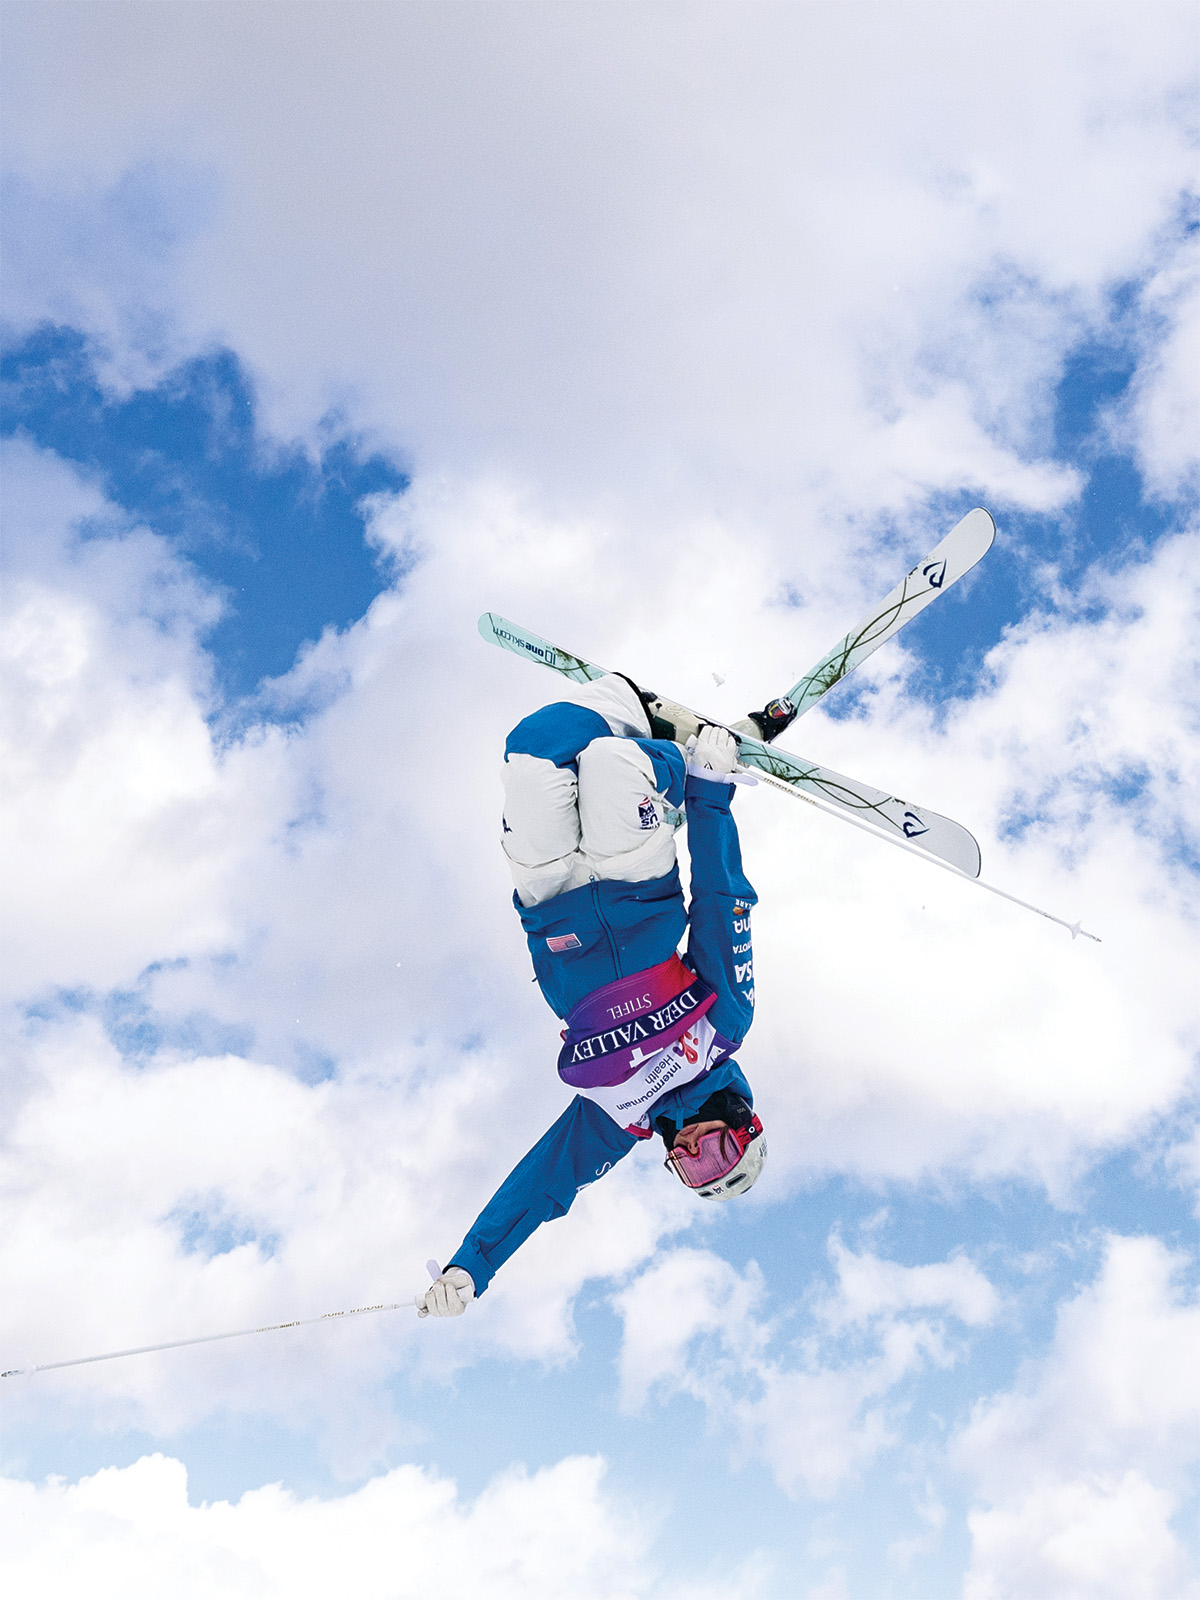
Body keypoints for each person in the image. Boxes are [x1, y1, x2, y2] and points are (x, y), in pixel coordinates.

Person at [416, 673, 765, 1319]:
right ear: (746, 1128)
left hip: (550, 909)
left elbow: (543, 1185)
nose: (690, 1150)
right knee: (610, 763)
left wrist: (472, 1267)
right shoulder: (724, 1028)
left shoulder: (619, 1115)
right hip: (638, 884)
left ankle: (625, 715)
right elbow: (724, 906)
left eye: (690, 1170)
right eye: (717, 1153)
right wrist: (712, 797)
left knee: (529, 757)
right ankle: (660, 750)